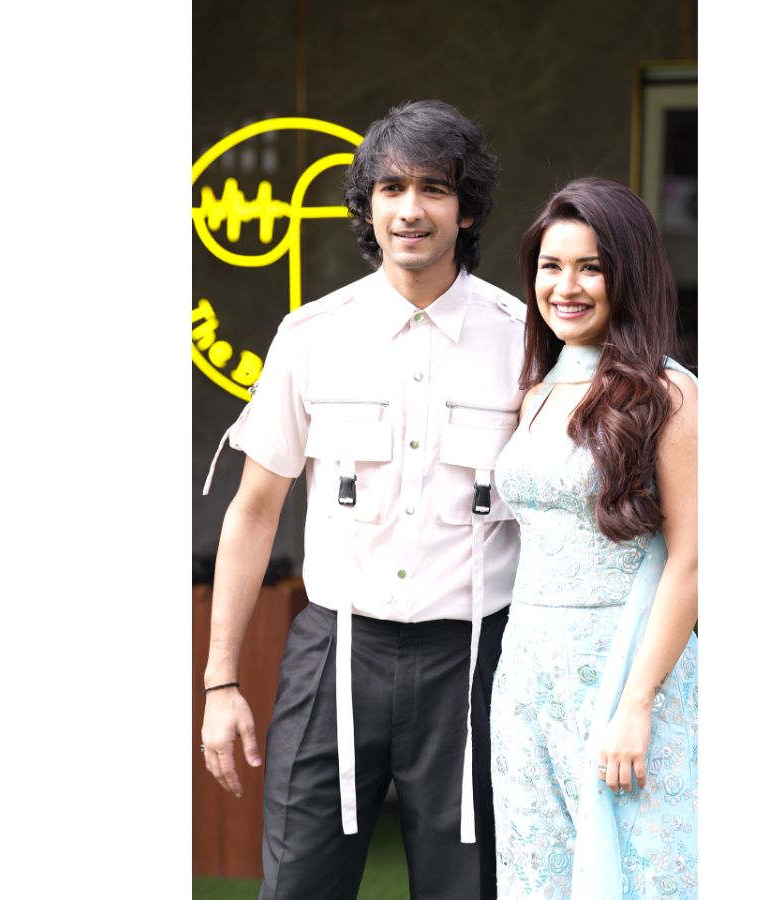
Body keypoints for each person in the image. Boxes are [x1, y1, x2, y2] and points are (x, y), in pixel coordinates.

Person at [199, 99, 526, 900]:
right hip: (335, 653)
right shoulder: (311, 334)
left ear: (467, 209)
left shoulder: (525, 341)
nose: (410, 209)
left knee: (469, 890)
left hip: (474, 661)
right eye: (391, 188)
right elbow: (254, 511)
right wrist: (219, 682)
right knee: (298, 887)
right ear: (369, 207)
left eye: (434, 188)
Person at [490, 177, 698, 899]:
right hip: (527, 676)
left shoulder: (669, 394)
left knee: (641, 872)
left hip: (628, 667)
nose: (566, 286)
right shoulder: (536, 392)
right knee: (536, 874)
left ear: (628, 273)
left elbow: (693, 560)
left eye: (591, 267)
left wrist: (636, 704)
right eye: (551, 266)